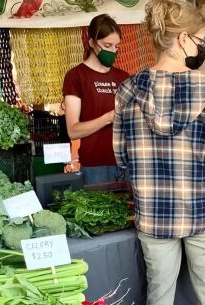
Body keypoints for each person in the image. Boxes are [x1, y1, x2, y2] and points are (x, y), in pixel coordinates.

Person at [113, 0, 205, 305]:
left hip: (152, 213)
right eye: (200, 40)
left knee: (159, 295)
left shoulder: (127, 91)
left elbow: (120, 156)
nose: (200, 47)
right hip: (199, 210)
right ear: (183, 40)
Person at [64, 14, 130, 185]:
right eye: (107, 45)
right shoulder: (75, 76)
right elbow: (73, 130)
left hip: (128, 163)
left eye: (116, 47)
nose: (113, 51)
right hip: (95, 167)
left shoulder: (124, 77)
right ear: (92, 42)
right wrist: (108, 118)